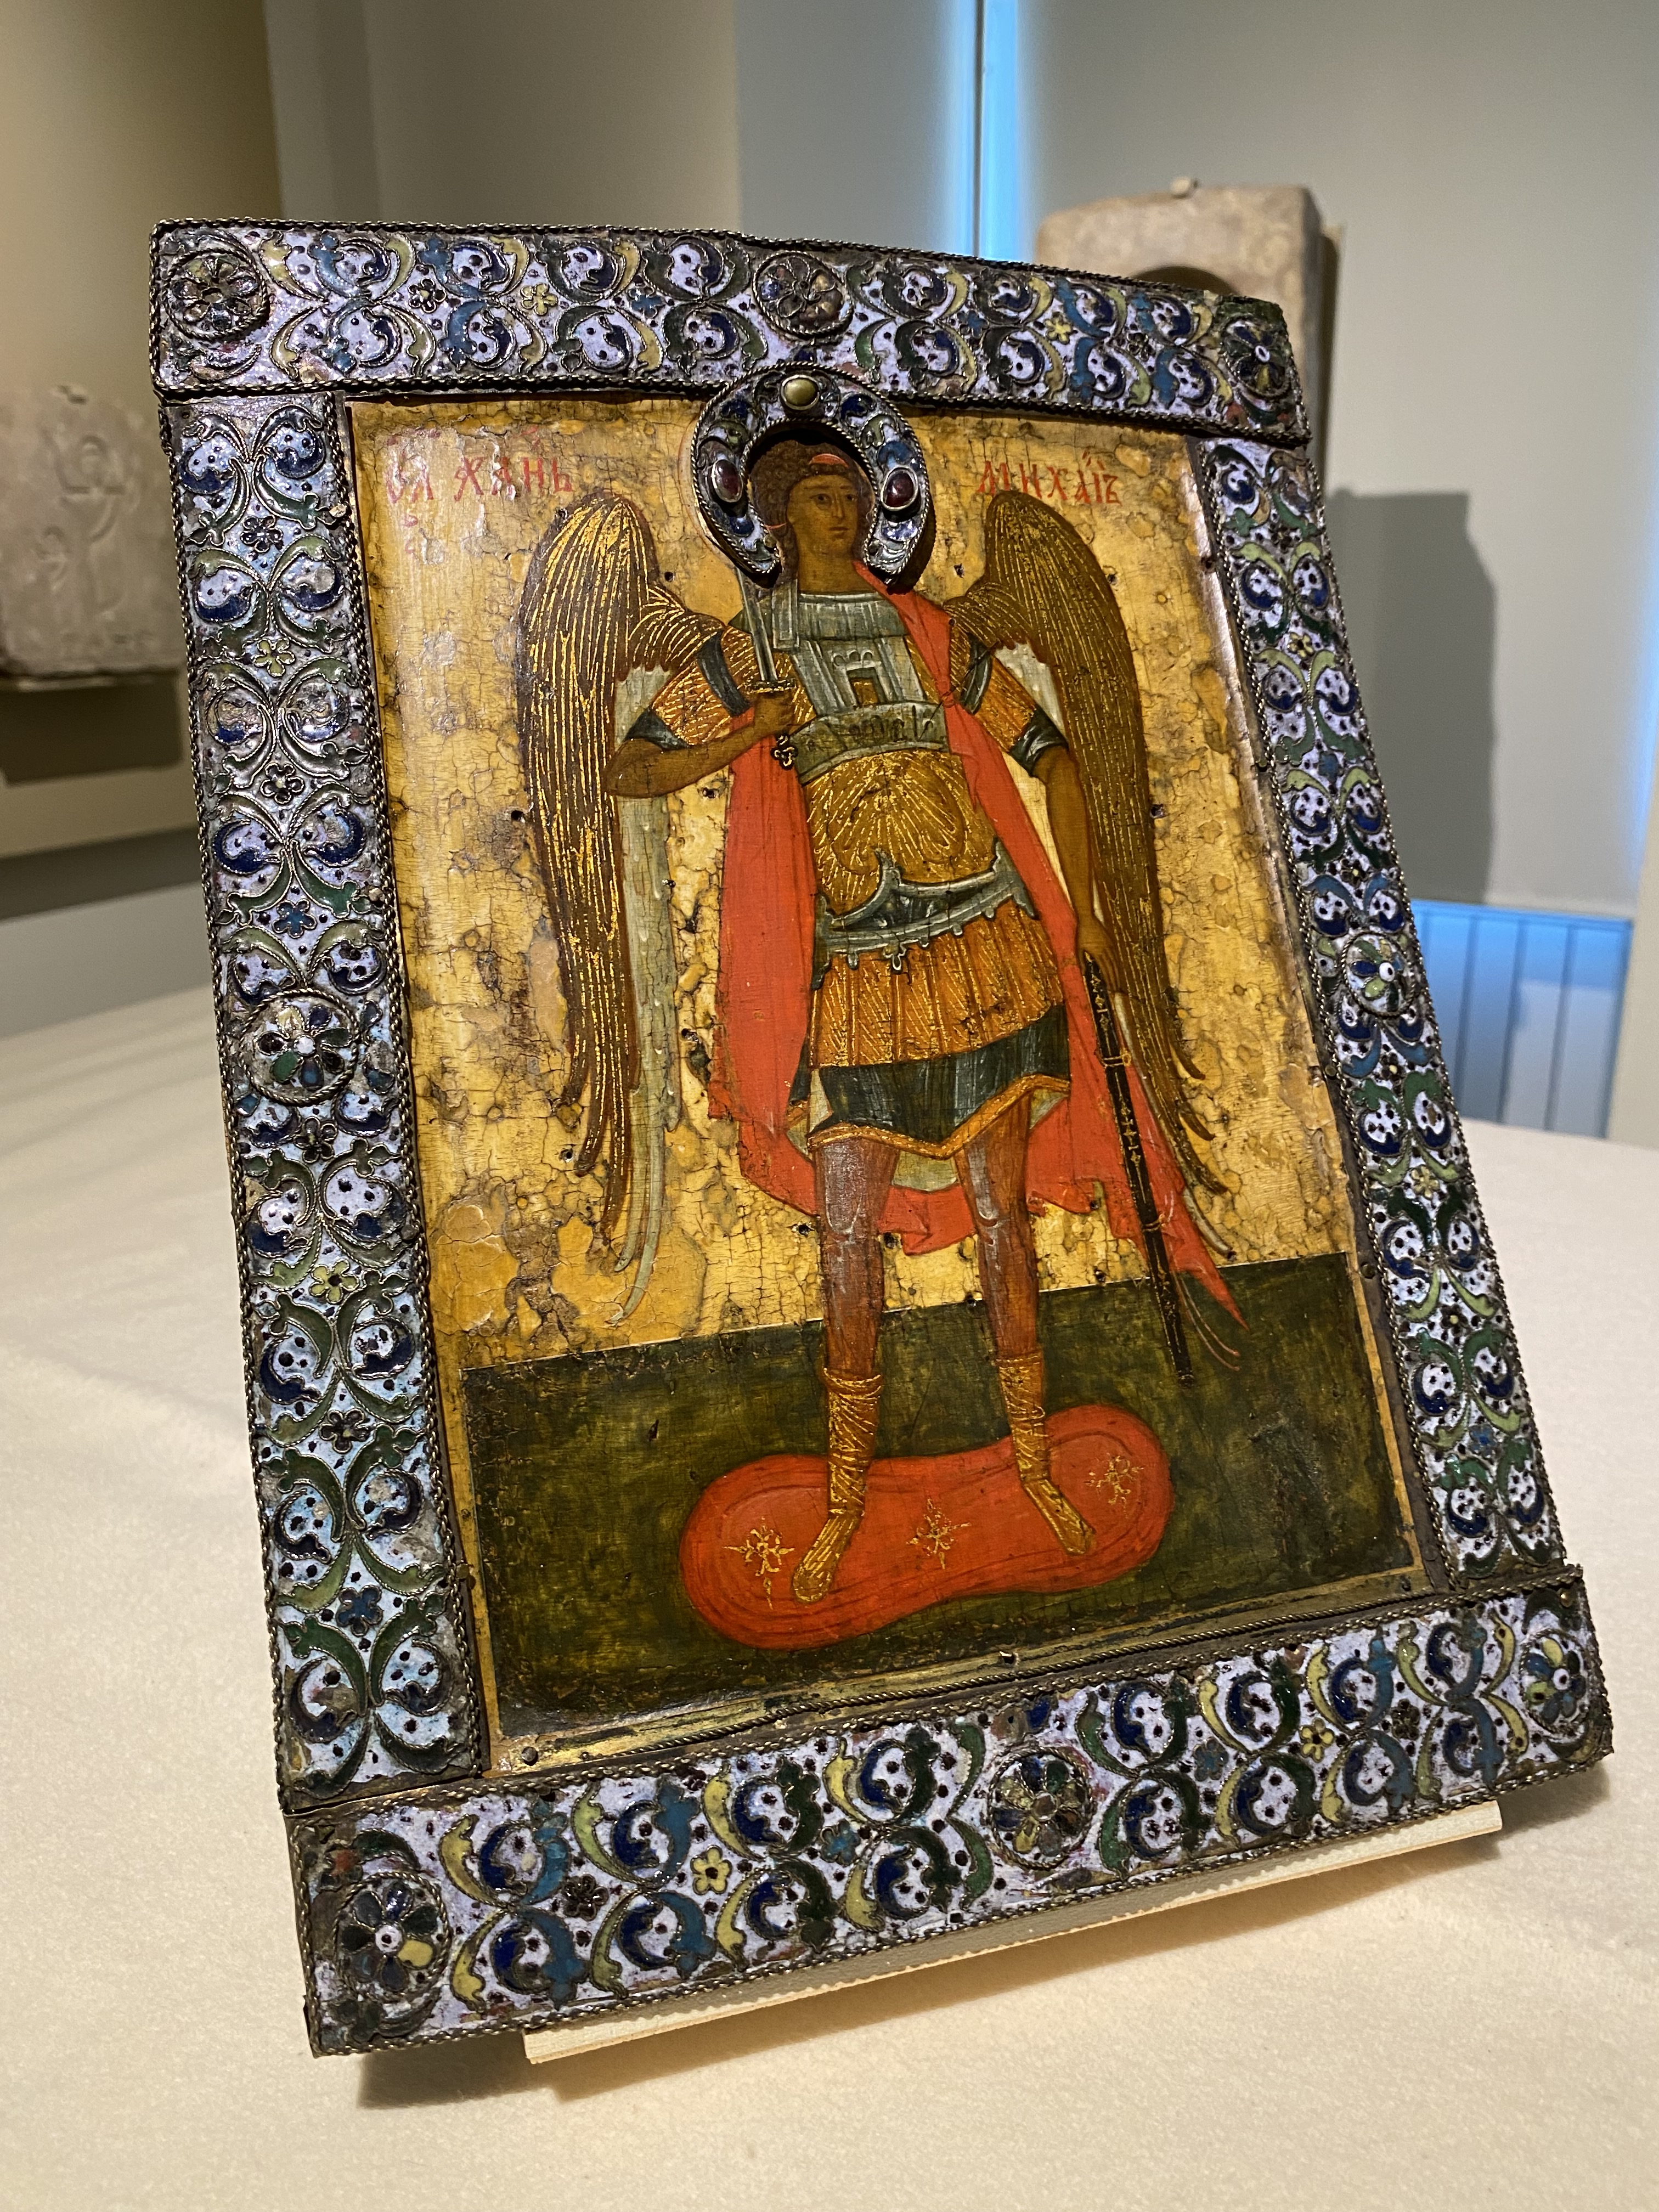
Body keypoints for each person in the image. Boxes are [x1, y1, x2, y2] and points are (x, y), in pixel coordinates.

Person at [603, 441, 1219, 1602]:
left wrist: (1087, 912)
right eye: (819, 494)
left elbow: (1054, 755)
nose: (843, 509)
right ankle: (845, 1497)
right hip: (861, 965)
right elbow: (631, 766)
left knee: (1003, 1218)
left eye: (851, 491)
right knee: (847, 1230)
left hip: (986, 939)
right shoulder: (755, 645)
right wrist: (750, 729)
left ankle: (1032, 1461)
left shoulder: (927, 631)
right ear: (778, 518)